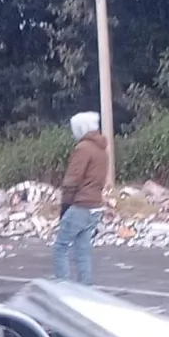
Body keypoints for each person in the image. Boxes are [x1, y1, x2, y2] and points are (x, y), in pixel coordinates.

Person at [53, 111, 108, 285]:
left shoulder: (82, 148)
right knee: (82, 251)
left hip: (80, 204)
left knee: (60, 247)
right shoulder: (102, 150)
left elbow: (72, 179)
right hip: (96, 205)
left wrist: (64, 206)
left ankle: (63, 286)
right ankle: (85, 288)